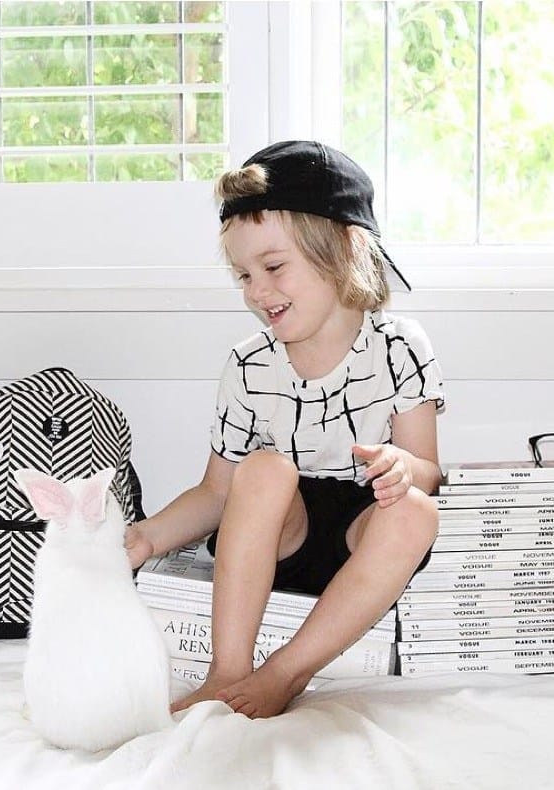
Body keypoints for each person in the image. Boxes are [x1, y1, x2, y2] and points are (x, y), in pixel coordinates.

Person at [124, 140, 445, 719]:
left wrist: (403, 466)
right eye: (243, 275)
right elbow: (217, 492)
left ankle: (286, 671)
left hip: (362, 531)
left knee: (417, 511)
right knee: (265, 468)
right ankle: (228, 671)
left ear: (345, 249)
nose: (256, 291)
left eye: (273, 268)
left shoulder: (400, 346)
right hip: (282, 535)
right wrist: (148, 537)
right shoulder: (249, 364)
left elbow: (429, 471)